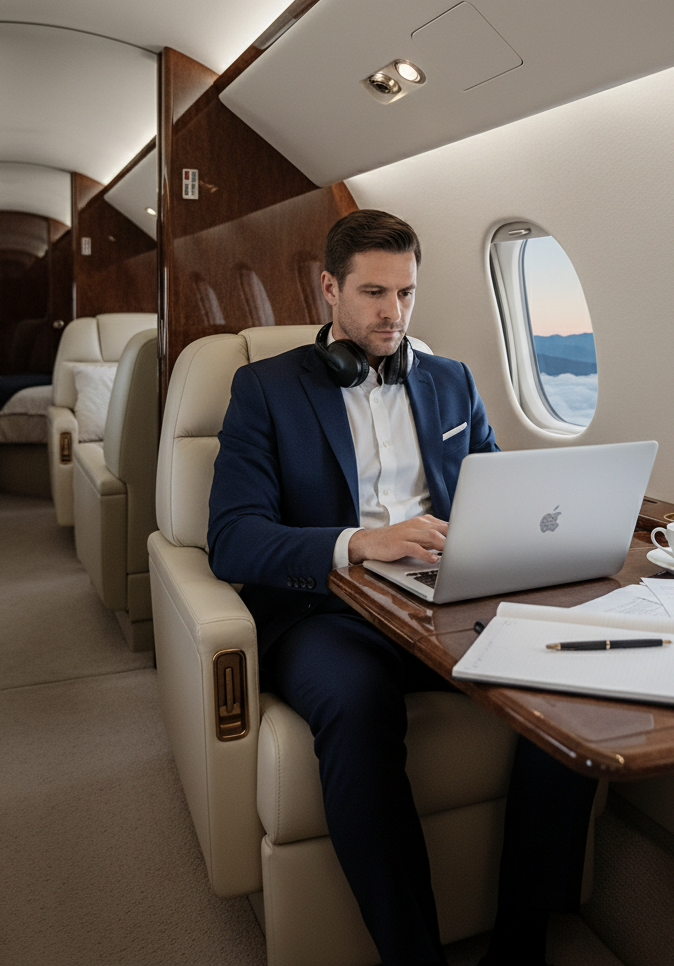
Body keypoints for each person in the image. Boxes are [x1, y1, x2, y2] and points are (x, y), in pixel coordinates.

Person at [208, 209, 598, 966]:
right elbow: (233, 538)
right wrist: (359, 543)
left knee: (568, 683)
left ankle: (520, 943)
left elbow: (497, 494)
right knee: (357, 707)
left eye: (407, 293)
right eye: (374, 293)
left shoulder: (452, 380)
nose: (394, 312)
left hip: (448, 599)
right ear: (330, 288)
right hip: (328, 610)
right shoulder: (264, 389)